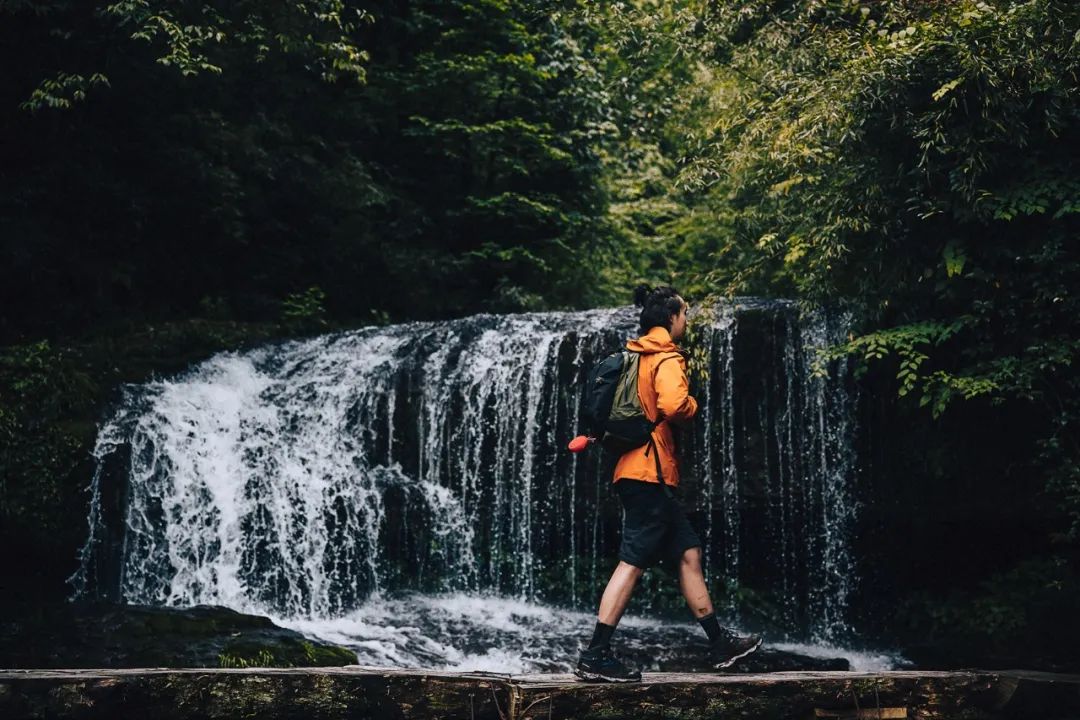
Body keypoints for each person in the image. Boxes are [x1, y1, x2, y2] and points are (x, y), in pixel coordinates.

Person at [574, 285, 763, 683]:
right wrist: (693, 405)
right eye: (684, 314)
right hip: (649, 474)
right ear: (671, 318)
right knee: (632, 562)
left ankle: (719, 644)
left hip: (635, 470)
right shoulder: (667, 358)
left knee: (688, 552)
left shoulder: (635, 355)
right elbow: (675, 405)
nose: (686, 321)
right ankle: (595, 655)